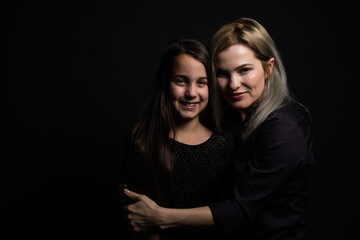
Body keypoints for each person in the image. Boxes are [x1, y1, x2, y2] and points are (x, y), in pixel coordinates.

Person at [122, 17, 314, 240]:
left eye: (244, 70)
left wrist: (157, 217)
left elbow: (239, 212)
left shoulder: (284, 130)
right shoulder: (229, 118)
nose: (233, 84)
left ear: (268, 68)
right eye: (222, 73)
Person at [120, 38, 234, 240]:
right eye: (181, 81)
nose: (191, 93)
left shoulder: (221, 148)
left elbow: (226, 218)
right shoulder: (142, 141)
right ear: (166, 83)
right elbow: (133, 216)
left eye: (201, 82)